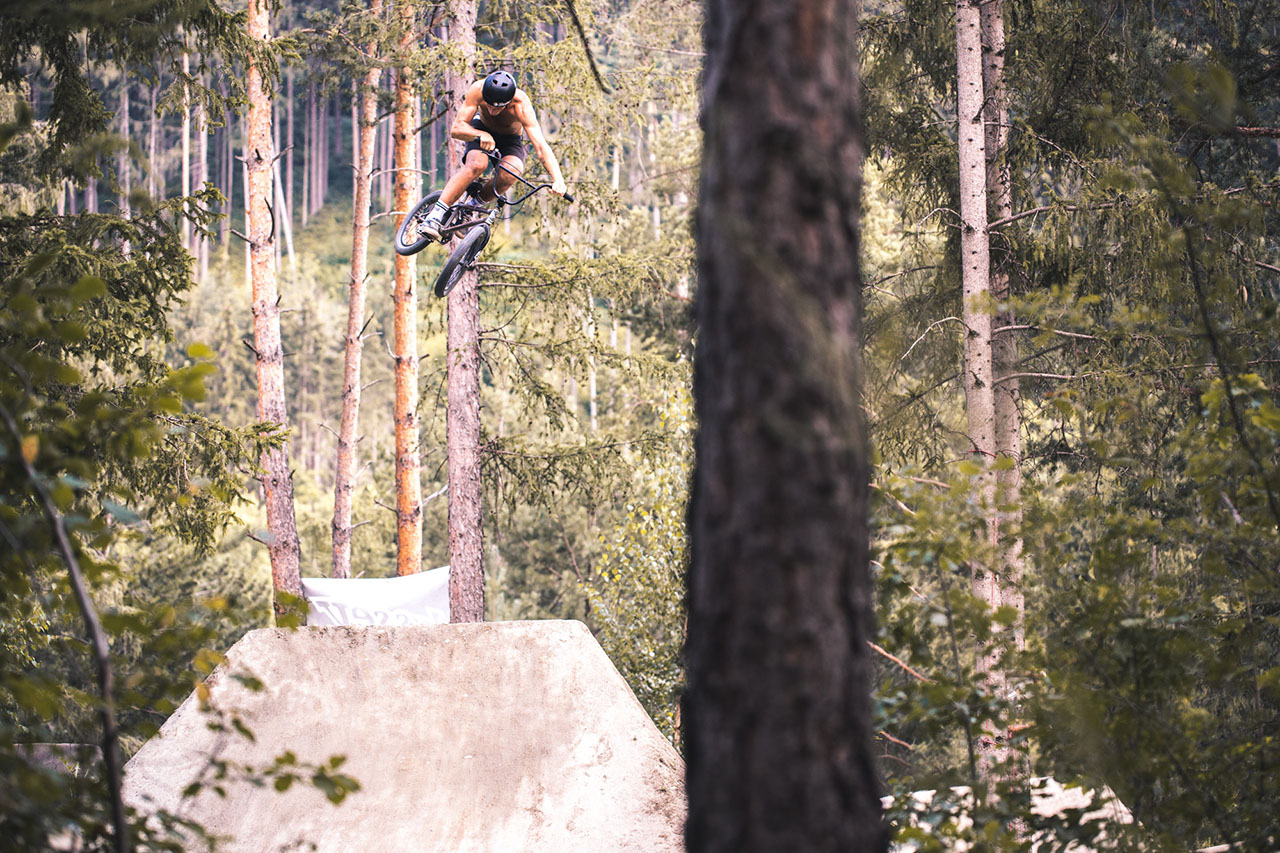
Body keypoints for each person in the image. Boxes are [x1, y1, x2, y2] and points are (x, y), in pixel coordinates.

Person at [420, 70, 568, 241]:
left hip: (509, 139)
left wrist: (558, 179)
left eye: (497, 107)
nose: (491, 109)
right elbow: (456, 129)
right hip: (480, 129)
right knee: (477, 164)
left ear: (508, 101)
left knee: (512, 171)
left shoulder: (521, 106)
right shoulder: (478, 89)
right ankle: (435, 215)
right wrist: (479, 135)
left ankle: (471, 207)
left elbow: (541, 147)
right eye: (488, 104)